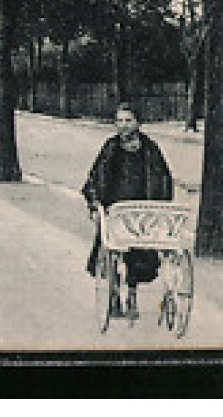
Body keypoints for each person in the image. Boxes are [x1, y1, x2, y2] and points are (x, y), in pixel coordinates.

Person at [82, 102, 174, 316]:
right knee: (114, 250)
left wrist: (159, 208)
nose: (123, 126)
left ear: (138, 123)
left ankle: (132, 295)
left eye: (128, 121)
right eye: (119, 121)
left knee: (138, 255)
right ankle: (114, 297)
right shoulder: (110, 147)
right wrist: (95, 204)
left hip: (142, 211)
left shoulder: (150, 149)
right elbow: (95, 177)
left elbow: (163, 178)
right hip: (115, 209)